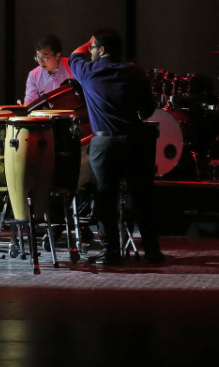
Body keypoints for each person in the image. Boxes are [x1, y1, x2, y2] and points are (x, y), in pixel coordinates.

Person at [69, 29, 163, 264]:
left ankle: (110, 251)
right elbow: (147, 111)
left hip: (104, 143)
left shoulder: (88, 72)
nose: (90, 51)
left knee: (105, 197)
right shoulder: (135, 73)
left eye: (93, 47)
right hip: (134, 141)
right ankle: (152, 250)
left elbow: (74, 55)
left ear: (101, 50)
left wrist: (89, 38)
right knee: (142, 196)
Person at [22, 34, 74, 105]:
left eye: (45, 57)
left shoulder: (73, 68)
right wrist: (26, 106)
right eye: (38, 57)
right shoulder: (34, 75)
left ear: (57, 56)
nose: (40, 61)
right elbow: (30, 100)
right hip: (46, 115)